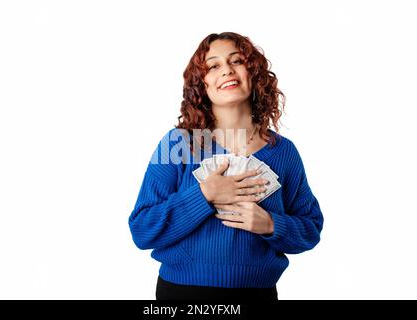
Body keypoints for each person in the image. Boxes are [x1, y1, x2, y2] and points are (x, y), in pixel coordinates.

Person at [128, 32, 324, 301]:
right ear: (202, 83)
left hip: (258, 294)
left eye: (237, 61)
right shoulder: (178, 144)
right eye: (213, 66)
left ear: (252, 73)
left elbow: (310, 228)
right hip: (183, 295)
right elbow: (142, 229)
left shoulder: (283, 151)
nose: (227, 70)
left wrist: (270, 225)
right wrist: (204, 195)